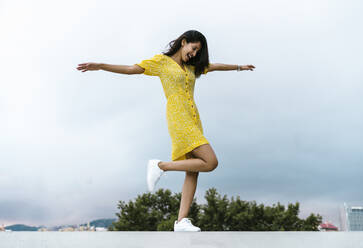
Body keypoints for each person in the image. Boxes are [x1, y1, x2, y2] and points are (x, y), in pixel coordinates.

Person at [76, 30, 255, 232]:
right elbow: (130, 69)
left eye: (198, 52)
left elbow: (212, 66)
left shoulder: (191, 67)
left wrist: (239, 67)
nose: (195, 54)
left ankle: (181, 221)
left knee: (193, 171)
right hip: (178, 118)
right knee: (211, 162)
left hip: (193, 118)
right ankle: (161, 166)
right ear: (184, 42)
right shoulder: (161, 62)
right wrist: (100, 66)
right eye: (194, 48)